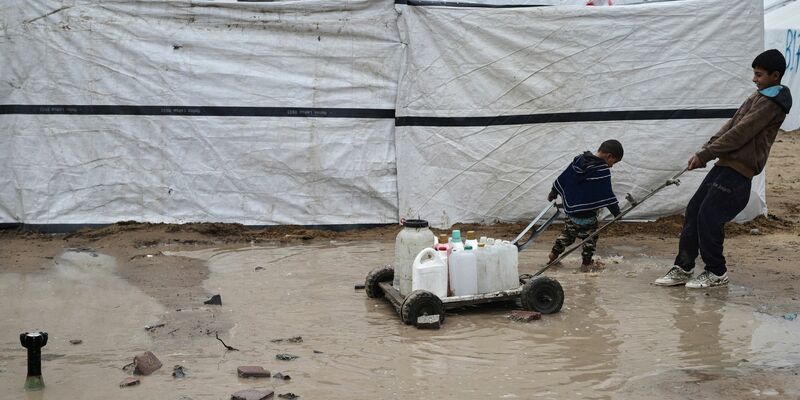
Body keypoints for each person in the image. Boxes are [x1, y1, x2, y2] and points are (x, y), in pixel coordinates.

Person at [655, 49, 792, 289]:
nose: (754, 79)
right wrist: (705, 151)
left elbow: (741, 132)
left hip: (740, 170)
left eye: (759, 75)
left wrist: (707, 153)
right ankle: (684, 266)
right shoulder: (757, 96)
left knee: (709, 215)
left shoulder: (772, 104)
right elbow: (731, 125)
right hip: (725, 164)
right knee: (694, 209)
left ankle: (716, 272)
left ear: (775, 75)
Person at [547, 140, 623, 272]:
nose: (612, 166)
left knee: (567, 235)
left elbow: (565, 177)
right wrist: (617, 213)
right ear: (609, 156)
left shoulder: (578, 161)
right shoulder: (601, 170)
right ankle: (586, 264)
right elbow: (607, 194)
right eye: (614, 162)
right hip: (588, 215)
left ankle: (553, 254)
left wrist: (554, 191)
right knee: (590, 239)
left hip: (571, 212)